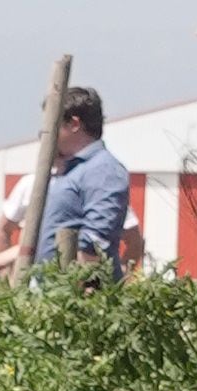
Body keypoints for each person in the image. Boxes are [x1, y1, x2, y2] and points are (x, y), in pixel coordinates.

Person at [34, 86, 129, 273]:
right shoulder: (71, 170)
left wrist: (80, 288)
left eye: (51, 126)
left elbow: (96, 238)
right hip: (56, 290)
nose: (45, 135)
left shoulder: (103, 170)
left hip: (78, 293)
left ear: (74, 124)